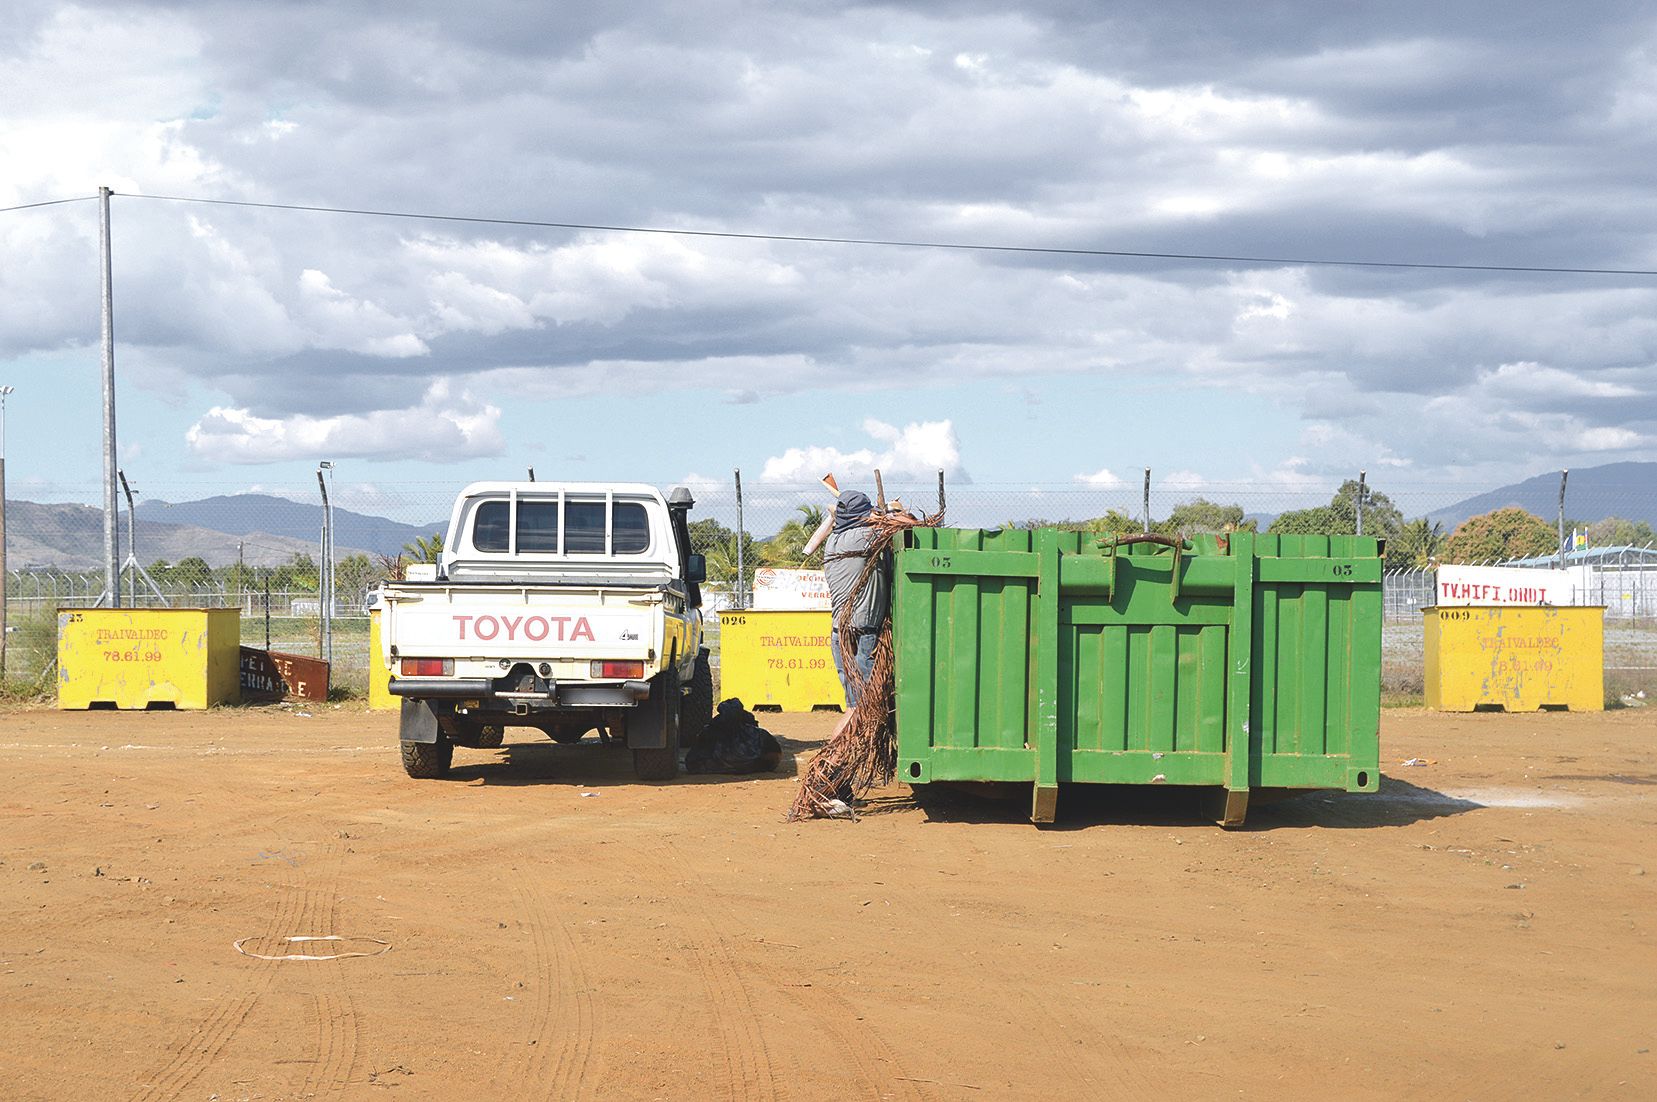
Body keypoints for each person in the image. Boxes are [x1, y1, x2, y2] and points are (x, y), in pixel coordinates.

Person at [804, 488, 889, 709]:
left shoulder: (833, 539)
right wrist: (884, 511)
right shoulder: (862, 537)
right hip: (863, 632)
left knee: (853, 702)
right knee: (866, 705)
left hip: (839, 632)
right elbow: (897, 524)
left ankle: (850, 738)